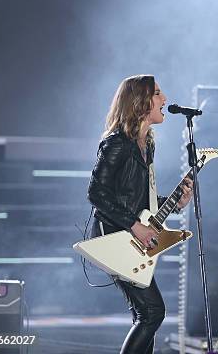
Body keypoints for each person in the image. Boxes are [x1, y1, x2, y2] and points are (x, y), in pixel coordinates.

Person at [87, 74, 193, 353]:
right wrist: (135, 225)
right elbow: (97, 193)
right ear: (139, 102)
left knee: (145, 315)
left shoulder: (147, 145)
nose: (165, 99)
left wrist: (174, 201)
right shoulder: (117, 143)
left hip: (130, 235)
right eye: (157, 93)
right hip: (114, 236)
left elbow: (137, 199)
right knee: (153, 312)